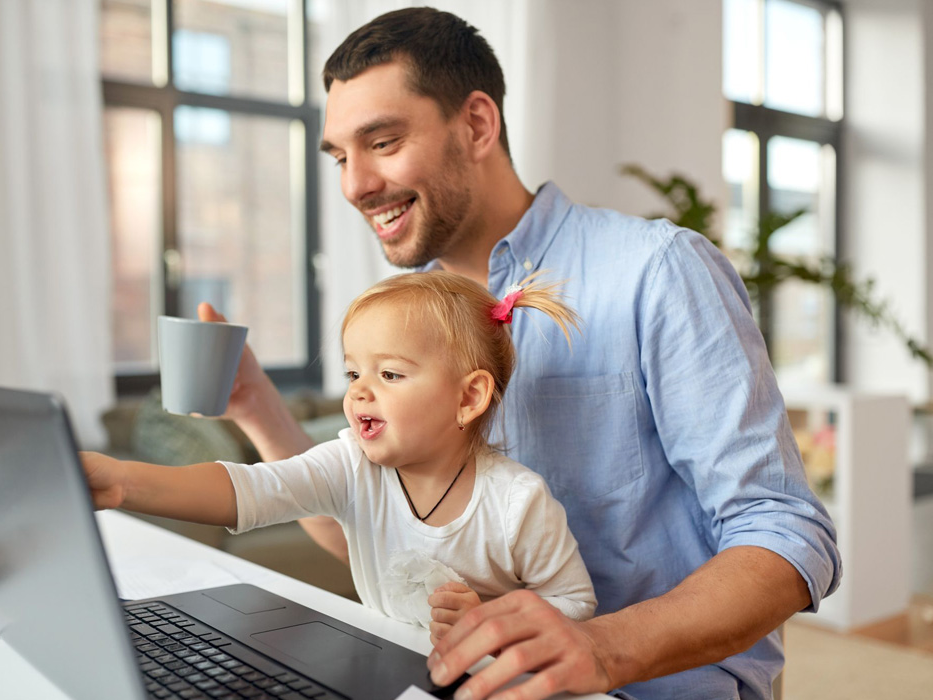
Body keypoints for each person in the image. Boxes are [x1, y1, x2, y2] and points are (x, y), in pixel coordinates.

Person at [199, 7, 842, 700]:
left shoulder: (655, 271)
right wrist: (255, 404)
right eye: (340, 157)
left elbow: (787, 535)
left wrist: (601, 648)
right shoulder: (408, 312)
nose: (355, 184)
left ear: (477, 124)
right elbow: (365, 520)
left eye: (381, 142)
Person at [83, 271, 598, 642]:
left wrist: (492, 615)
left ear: (468, 398)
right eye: (354, 374)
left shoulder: (517, 502)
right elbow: (249, 490)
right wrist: (123, 481)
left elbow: (577, 606)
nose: (359, 393)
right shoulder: (352, 464)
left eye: (389, 374)